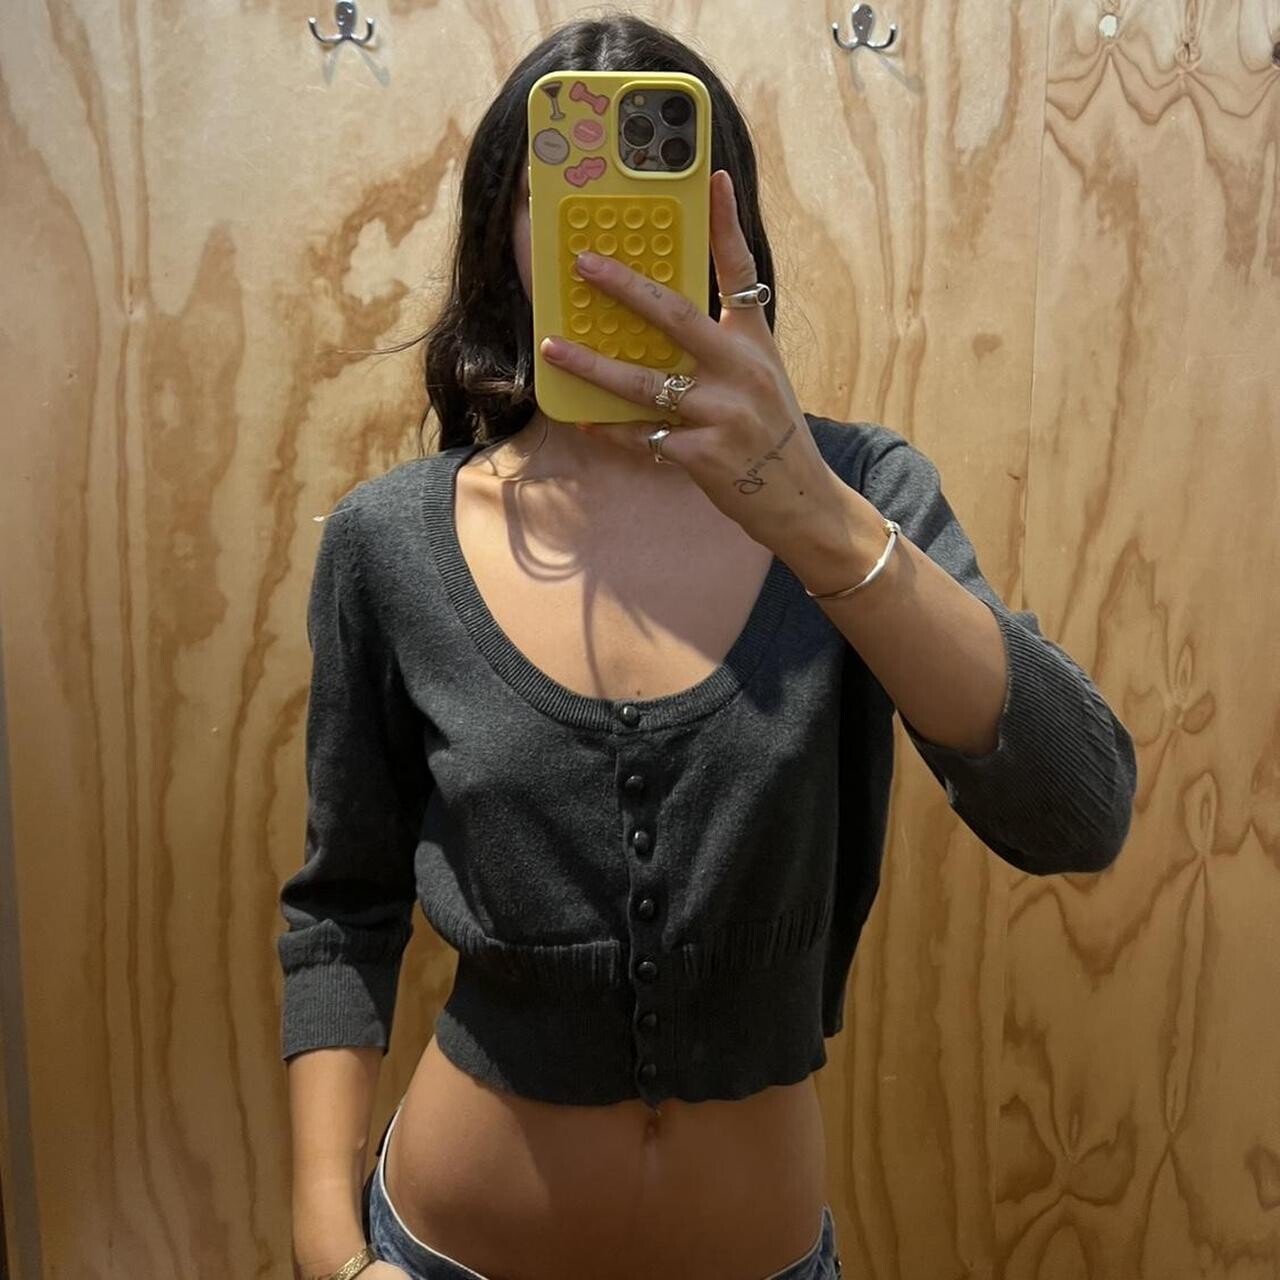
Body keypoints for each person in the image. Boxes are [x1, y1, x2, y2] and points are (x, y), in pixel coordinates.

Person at [277, 15, 1137, 1280]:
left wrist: (813, 514)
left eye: (657, 190)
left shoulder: (859, 493)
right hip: (443, 1250)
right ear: (503, 232)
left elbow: (1080, 811)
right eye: (559, 195)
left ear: (720, 221)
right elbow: (342, 906)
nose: (606, 239)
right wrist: (325, 1248)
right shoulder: (389, 541)